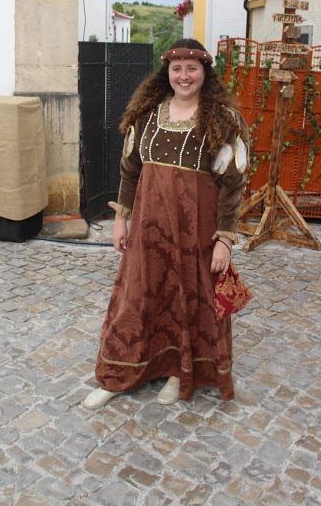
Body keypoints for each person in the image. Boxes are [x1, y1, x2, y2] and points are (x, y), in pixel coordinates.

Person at [82, 39, 250, 409]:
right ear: (167, 73)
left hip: (197, 231)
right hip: (148, 229)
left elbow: (233, 183)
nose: (184, 75)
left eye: (192, 68)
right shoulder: (147, 116)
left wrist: (224, 240)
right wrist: (121, 221)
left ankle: (179, 371)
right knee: (138, 297)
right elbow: (130, 171)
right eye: (177, 68)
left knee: (188, 300)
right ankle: (119, 372)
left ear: (205, 73)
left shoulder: (222, 120)